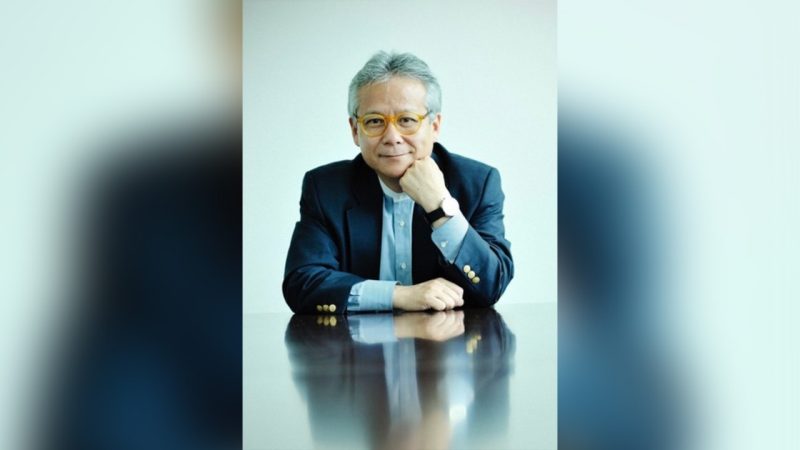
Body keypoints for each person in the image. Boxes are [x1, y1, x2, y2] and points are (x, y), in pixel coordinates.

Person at [283, 51, 513, 314]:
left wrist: (439, 206)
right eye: (374, 122)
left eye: (406, 120)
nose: (392, 136)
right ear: (355, 131)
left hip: (448, 348)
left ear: (434, 125)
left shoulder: (478, 183)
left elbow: (491, 286)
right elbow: (302, 283)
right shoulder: (325, 189)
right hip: (357, 351)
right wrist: (398, 295)